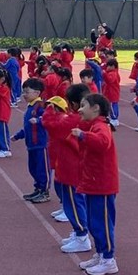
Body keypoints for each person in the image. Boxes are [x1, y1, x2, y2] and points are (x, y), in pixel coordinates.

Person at [72, 94, 121, 275]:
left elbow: (103, 142)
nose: (79, 109)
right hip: (93, 183)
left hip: (103, 185)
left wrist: (83, 135)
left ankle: (108, 259)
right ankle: (101, 253)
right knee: (93, 222)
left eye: (83, 105)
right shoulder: (93, 125)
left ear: (95, 108)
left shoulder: (101, 126)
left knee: (102, 223)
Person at [43, 87, 91, 251]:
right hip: (71, 164)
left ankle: (82, 235)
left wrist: (49, 110)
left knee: (74, 203)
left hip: (71, 167)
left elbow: (51, 125)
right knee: (73, 201)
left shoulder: (73, 119)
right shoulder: (77, 118)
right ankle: (79, 232)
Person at [13, 78, 51, 203]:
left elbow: (48, 119)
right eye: (23, 92)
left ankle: (44, 191)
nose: (24, 95)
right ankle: (38, 188)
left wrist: (39, 120)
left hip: (41, 144)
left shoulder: (41, 106)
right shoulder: (30, 107)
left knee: (41, 169)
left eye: (27, 92)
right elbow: (27, 127)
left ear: (37, 93)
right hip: (31, 145)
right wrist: (18, 136)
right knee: (33, 168)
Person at [101, 57, 122, 126]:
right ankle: (113, 118)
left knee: (112, 106)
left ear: (113, 66)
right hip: (110, 93)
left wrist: (104, 74)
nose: (107, 68)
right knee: (110, 106)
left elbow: (109, 80)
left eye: (108, 66)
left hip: (112, 93)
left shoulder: (113, 73)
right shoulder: (111, 73)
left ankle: (114, 119)